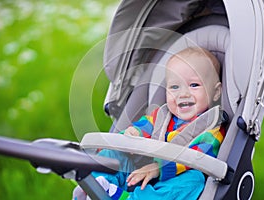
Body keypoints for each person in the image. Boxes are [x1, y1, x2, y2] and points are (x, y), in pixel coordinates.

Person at [73, 47, 226, 200]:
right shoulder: (161, 116)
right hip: (140, 172)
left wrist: (159, 168)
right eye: (174, 87)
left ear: (216, 92)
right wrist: (133, 133)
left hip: (175, 178)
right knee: (113, 155)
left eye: (194, 85)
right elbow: (144, 127)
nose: (183, 93)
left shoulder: (212, 128)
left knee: (193, 180)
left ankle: (127, 198)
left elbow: (197, 157)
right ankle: (96, 188)